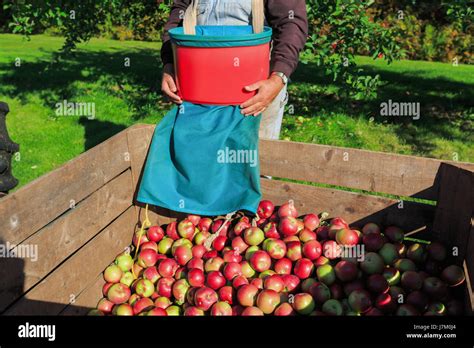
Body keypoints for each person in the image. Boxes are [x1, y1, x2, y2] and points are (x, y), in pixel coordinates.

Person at [160, 0, 308, 140]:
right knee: (198, 156)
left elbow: (291, 22)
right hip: (198, 85)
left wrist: (278, 77)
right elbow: (179, 13)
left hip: (254, 93)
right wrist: (169, 63)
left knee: (254, 157)